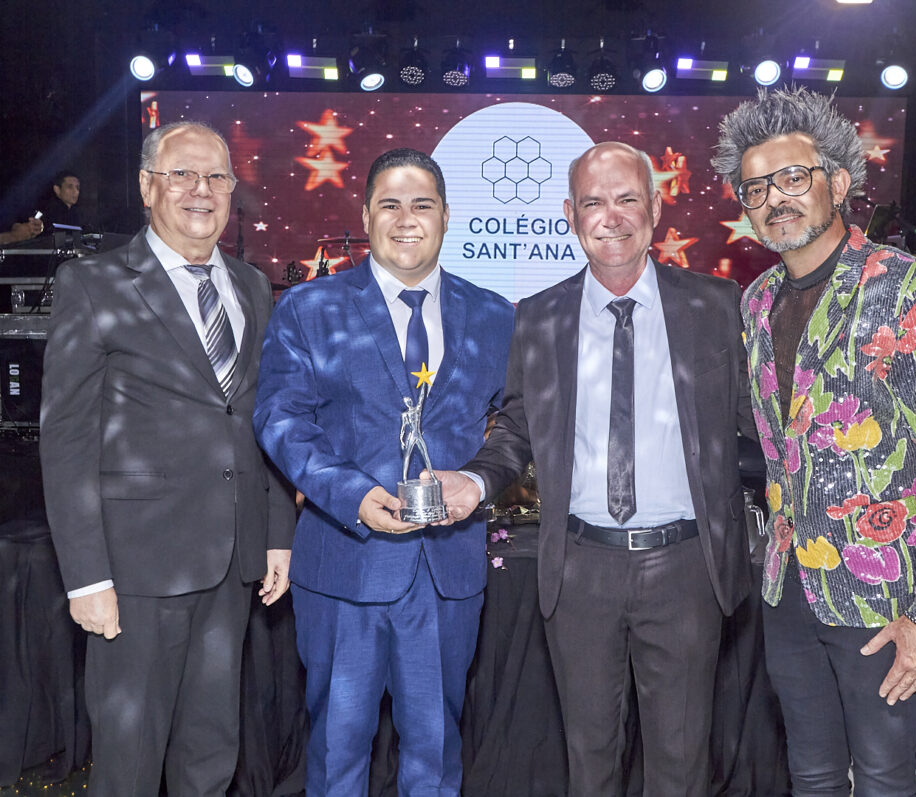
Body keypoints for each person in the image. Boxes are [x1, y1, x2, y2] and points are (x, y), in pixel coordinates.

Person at [435, 141, 755, 796]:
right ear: (570, 215)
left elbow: (762, 424)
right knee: (589, 763)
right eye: (593, 202)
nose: (612, 217)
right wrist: (475, 479)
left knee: (681, 766)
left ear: (655, 207)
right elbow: (518, 427)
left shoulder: (718, 306)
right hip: (578, 569)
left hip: (686, 566)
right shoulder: (540, 315)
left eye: (627, 198)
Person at [712, 86, 916, 797]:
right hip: (788, 588)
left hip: (885, 597)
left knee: (882, 778)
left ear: (838, 183)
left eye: (792, 177)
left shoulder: (911, 291)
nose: (775, 199)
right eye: (756, 188)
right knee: (810, 776)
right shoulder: (756, 303)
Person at [39, 120, 295, 796]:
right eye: (181, 173)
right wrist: (85, 577)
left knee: (211, 754)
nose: (200, 189)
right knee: (128, 761)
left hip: (233, 565)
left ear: (232, 191)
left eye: (215, 176)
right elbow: (66, 438)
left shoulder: (253, 286)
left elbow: (259, 419)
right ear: (147, 186)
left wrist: (277, 532)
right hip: (135, 571)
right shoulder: (93, 283)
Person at [253, 148, 514, 796]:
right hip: (344, 562)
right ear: (366, 216)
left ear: (446, 216)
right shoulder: (310, 308)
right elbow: (280, 418)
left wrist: (479, 479)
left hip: (446, 571)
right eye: (389, 204)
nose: (406, 218)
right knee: (338, 749)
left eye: (422, 204)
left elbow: (520, 422)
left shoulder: (496, 314)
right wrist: (352, 494)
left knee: (435, 752)